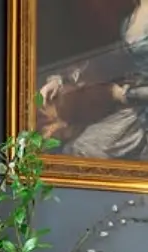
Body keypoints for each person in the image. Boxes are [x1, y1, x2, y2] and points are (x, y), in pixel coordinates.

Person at [37, 0, 148, 160]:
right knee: (76, 149)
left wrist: (125, 94)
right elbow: (113, 61)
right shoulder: (130, 19)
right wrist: (62, 79)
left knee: (83, 149)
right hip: (133, 106)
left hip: (141, 110)